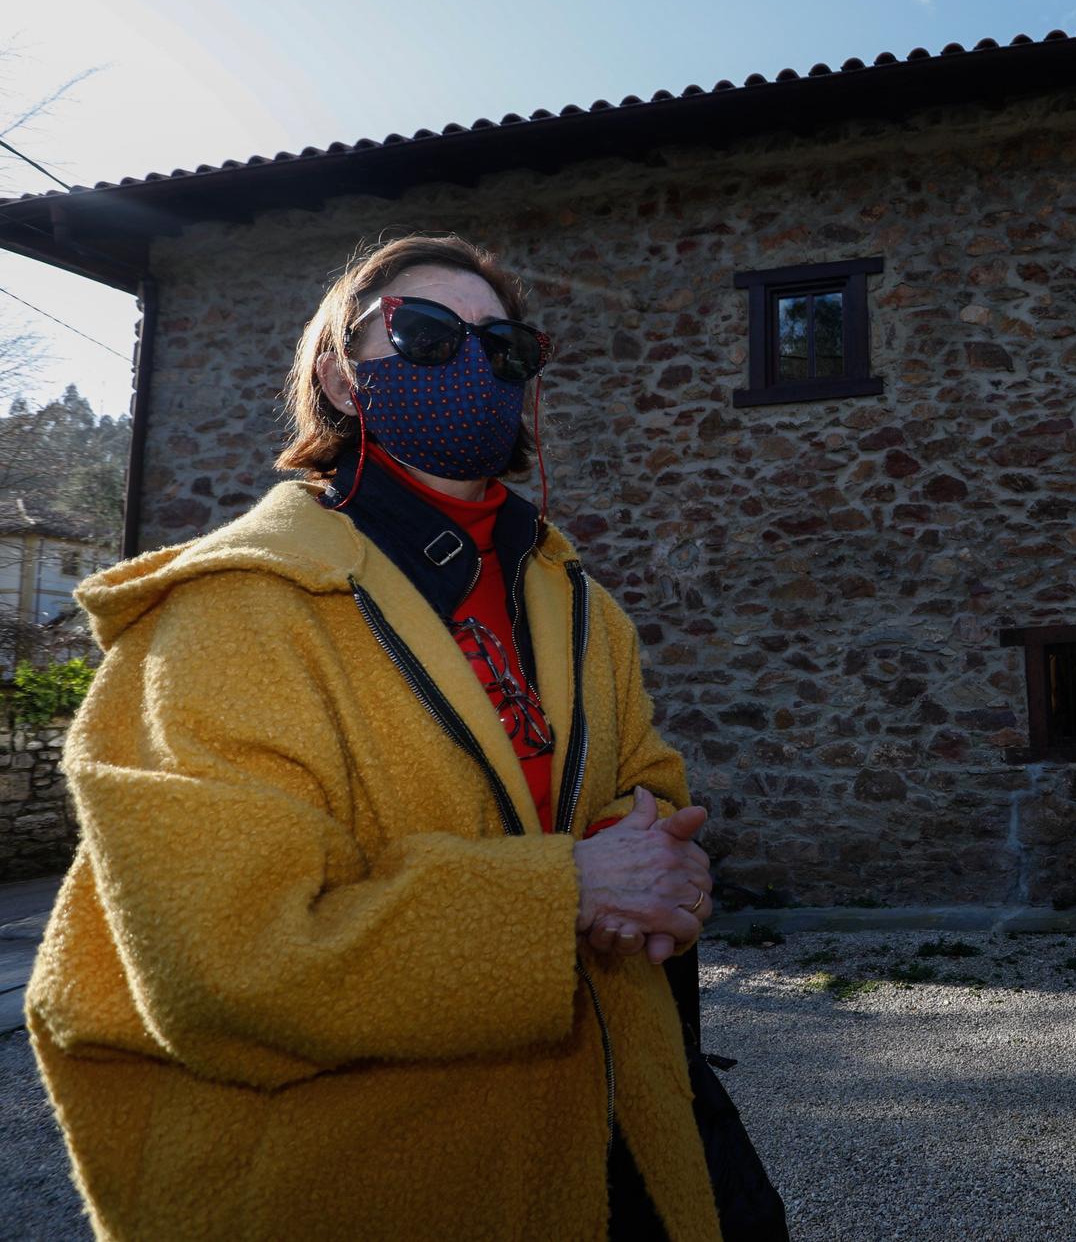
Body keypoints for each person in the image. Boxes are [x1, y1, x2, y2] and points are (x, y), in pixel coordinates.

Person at [28, 234, 724, 1241]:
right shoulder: (230, 612)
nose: (475, 362)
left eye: (507, 346)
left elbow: (644, 789)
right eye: (427, 332)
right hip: (343, 1188)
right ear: (340, 374)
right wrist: (569, 890)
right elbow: (224, 959)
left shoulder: (579, 604)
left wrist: (657, 867)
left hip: (615, 1156)